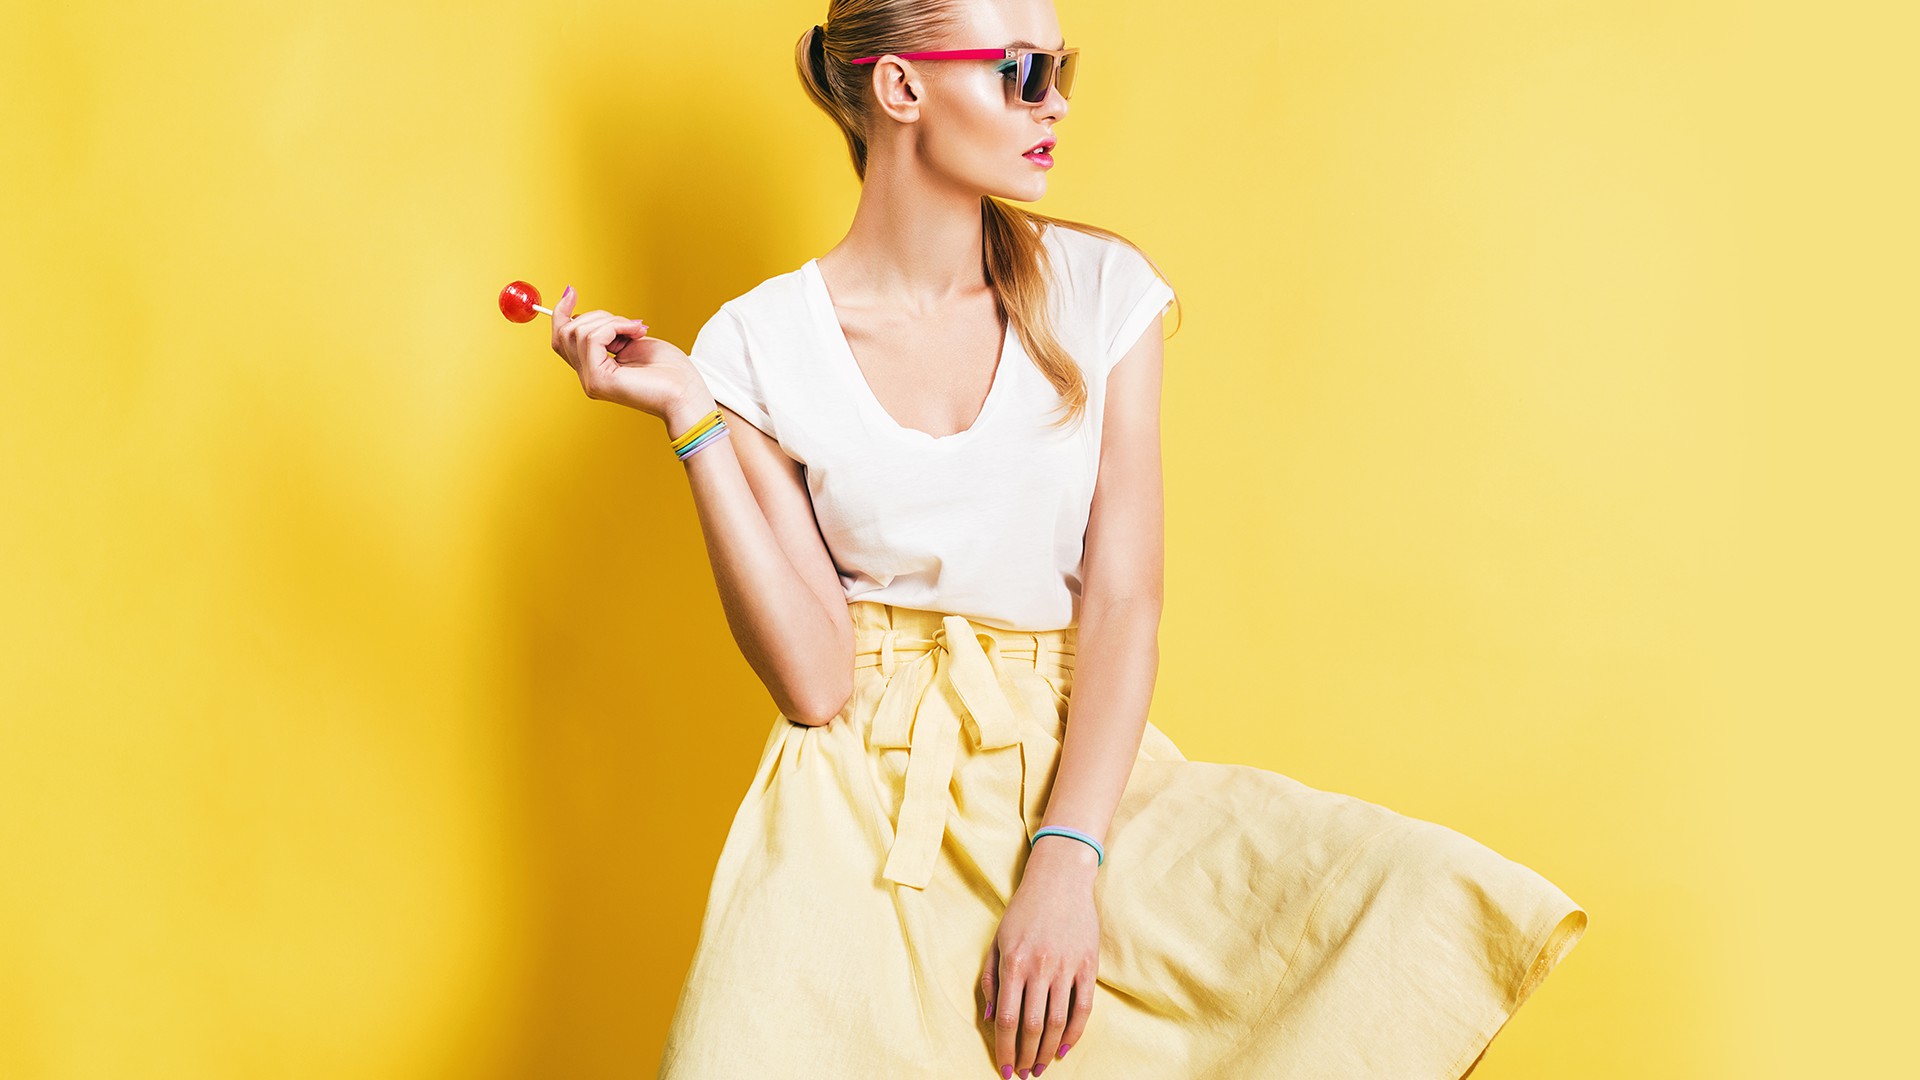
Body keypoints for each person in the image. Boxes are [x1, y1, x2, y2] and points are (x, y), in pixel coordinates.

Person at [544, 2, 1588, 1077]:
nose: (1057, 104)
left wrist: (1067, 857)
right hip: (854, 818)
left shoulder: (1099, 293)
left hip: (1068, 766)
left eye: (1060, 68)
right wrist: (694, 420)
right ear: (902, 88)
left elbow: (1125, 600)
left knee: (1400, 904)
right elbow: (816, 684)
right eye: (1024, 71)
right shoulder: (756, 344)